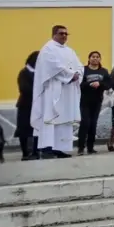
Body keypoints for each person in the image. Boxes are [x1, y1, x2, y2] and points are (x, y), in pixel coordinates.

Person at [31, 25, 84, 158]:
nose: (64, 36)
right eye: (61, 33)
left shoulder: (70, 51)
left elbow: (79, 65)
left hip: (67, 91)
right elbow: (54, 67)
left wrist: (77, 73)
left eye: (66, 34)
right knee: (51, 117)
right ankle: (47, 148)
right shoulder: (48, 49)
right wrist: (71, 75)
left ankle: (59, 147)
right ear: (54, 34)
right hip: (52, 90)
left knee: (63, 117)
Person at [77, 51, 109, 155]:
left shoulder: (103, 71)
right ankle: (81, 147)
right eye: (93, 57)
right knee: (85, 123)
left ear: (100, 59)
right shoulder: (84, 70)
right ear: (89, 58)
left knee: (93, 124)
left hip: (97, 100)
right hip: (85, 100)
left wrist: (100, 83)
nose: (95, 59)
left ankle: (90, 147)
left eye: (97, 57)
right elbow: (79, 84)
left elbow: (108, 84)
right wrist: (90, 84)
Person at [14, 51, 39, 160]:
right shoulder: (24, 73)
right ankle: (25, 152)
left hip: (37, 105)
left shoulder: (39, 73)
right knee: (24, 129)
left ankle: (35, 151)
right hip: (26, 105)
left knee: (36, 129)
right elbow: (24, 88)